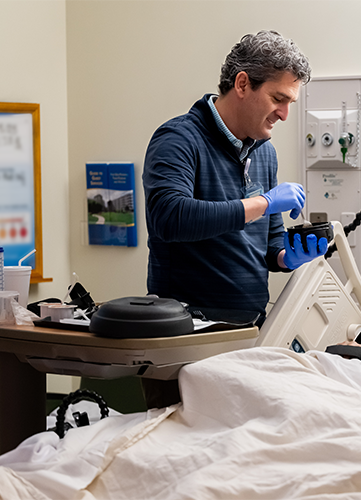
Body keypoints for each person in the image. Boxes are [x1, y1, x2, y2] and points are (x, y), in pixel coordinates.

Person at [140, 31, 327, 408]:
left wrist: (286, 257)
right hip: (187, 335)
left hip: (248, 331)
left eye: (290, 102)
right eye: (278, 99)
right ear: (243, 83)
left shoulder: (264, 153)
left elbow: (269, 241)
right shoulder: (179, 139)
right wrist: (262, 203)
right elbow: (169, 216)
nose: (285, 114)